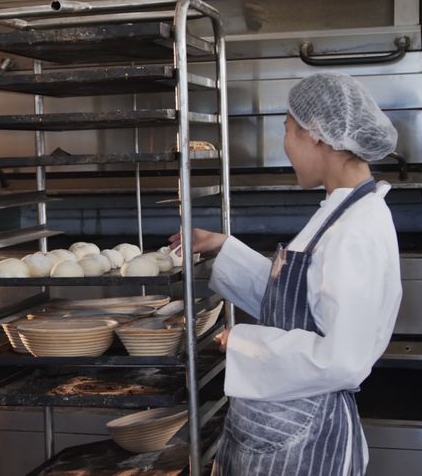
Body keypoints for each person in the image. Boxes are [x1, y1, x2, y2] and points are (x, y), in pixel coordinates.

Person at [170, 73, 402, 475]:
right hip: (285, 425)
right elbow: (300, 303)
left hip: (303, 436)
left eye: (288, 131)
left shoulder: (355, 229)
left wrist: (241, 341)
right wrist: (224, 247)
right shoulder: (340, 211)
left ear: (316, 134)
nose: (286, 145)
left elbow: (341, 360)